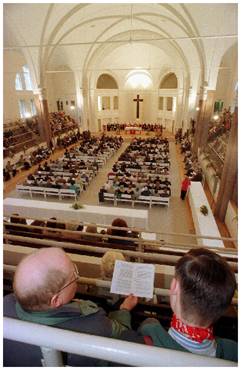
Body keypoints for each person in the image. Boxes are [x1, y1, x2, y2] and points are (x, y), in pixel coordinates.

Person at [4, 247, 138, 366]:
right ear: (56, 300)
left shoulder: (5, 305)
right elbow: (123, 332)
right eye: (74, 275)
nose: (77, 278)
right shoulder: (94, 324)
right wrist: (125, 309)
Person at [137, 248, 237, 362]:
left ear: (174, 287)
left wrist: (123, 311)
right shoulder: (233, 352)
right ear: (224, 305)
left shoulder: (147, 337)